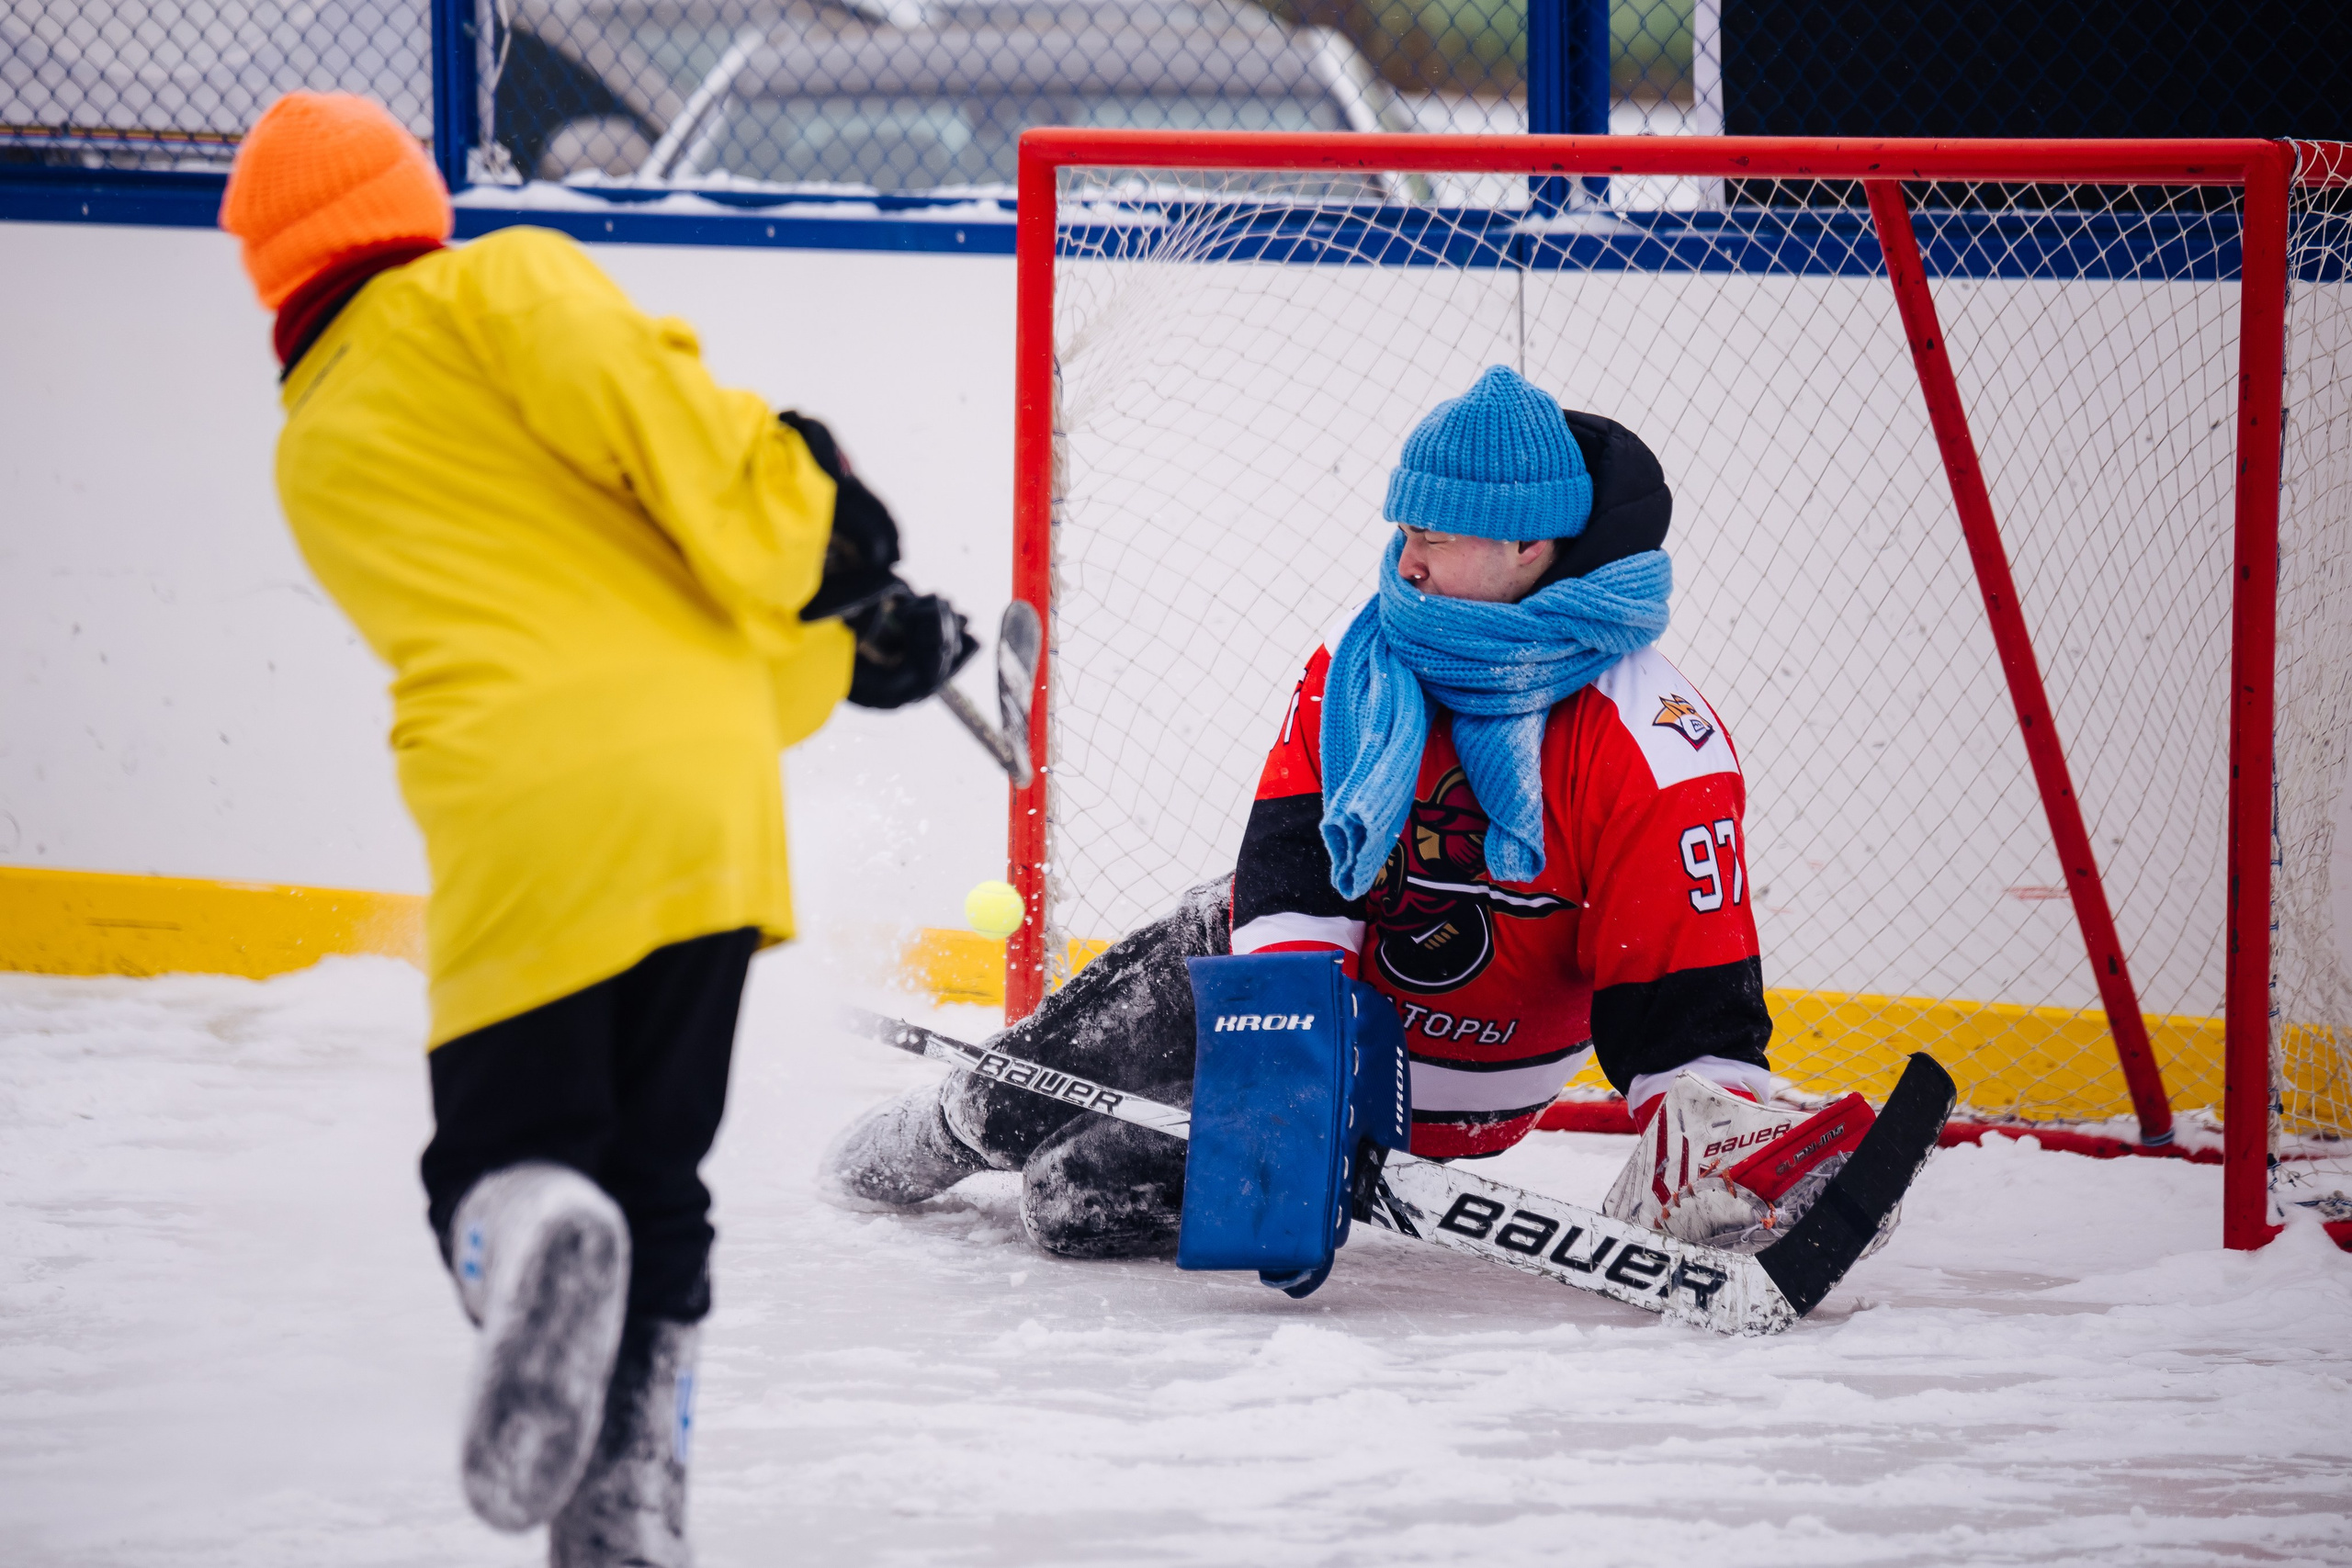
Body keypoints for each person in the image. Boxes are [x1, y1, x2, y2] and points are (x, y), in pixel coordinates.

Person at [220, 92, 973, 1565]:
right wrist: (835, 574)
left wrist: (828, 593)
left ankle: (533, 1235)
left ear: (275, 271)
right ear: (410, 205)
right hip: (705, 805)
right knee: (660, 1188)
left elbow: (556, 629)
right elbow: (668, 442)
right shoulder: (500, 279)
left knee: (509, 1160)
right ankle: (627, 1518)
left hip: (518, 814)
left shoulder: (314, 449)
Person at [828, 365, 1871, 1269]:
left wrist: (1713, 1124)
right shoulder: (1361, 655)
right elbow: (1288, 872)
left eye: (1434, 536)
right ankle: (944, 1126)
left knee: (1067, 1208)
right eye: (1402, 529)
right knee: (1018, 1126)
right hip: (1284, 1010)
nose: (1404, 561)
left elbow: (1681, 987)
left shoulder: (1652, 740)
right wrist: (1289, 1068)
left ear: (1527, 549)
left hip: (1453, 1080)